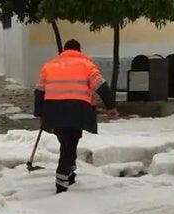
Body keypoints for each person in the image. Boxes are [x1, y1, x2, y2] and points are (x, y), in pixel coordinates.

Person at [34, 39, 119, 194]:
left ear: (64, 51)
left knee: (66, 143)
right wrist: (111, 106)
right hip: (76, 110)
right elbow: (101, 86)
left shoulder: (49, 66)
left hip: (53, 111)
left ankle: (69, 170)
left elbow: (39, 91)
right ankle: (62, 181)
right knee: (69, 145)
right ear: (79, 51)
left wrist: (39, 114)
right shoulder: (87, 65)